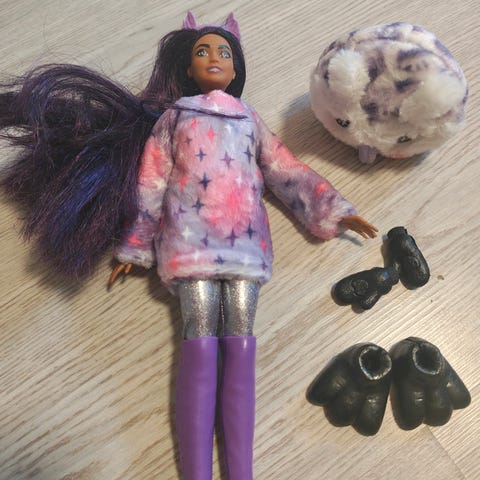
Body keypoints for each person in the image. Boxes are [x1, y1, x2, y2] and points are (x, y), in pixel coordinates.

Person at [0, 11, 377, 480]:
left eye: (223, 52)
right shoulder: (174, 118)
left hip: (245, 248)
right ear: (188, 67)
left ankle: (240, 470)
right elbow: (151, 183)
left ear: (236, 68)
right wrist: (135, 244)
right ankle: (197, 471)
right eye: (203, 52)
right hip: (189, 245)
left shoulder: (249, 119)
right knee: (199, 333)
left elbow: (285, 169)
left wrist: (331, 207)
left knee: (240, 336)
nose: (214, 58)